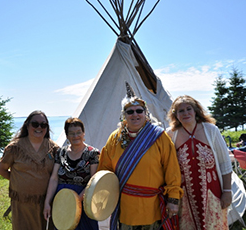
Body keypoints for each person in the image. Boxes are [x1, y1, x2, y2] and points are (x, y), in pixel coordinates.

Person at [97, 82, 183, 230]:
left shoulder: (159, 137)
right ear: (124, 116)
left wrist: (173, 200)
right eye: (130, 112)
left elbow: (172, 169)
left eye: (139, 110)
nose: (135, 115)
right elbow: (105, 170)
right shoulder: (114, 139)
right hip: (126, 209)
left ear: (145, 113)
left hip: (152, 207)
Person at [166, 95, 232, 230]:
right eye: (181, 111)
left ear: (195, 111)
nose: (185, 113)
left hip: (213, 192)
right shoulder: (171, 135)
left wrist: (227, 191)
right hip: (185, 196)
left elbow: (224, 163)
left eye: (188, 109)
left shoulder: (211, 130)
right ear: (175, 115)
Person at [0, 110, 59, 230]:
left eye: (43, 125)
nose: (39, 127)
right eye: (35, 124)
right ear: (27, 125)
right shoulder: (15, 148)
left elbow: (56, 175)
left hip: (46, 202)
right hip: (22, 203)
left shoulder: (54, 149)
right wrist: (18, 179)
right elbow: (2, 169)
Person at [43, 117, 100, 230]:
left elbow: (93, 182)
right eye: (71, 133)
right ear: (67, 136)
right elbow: (54, 178)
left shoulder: (92, 153)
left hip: (83, 201)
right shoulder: (61, 152)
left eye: (78, 132)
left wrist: (76, 202)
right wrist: (47, 202)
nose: (75, 136)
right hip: (62, 202)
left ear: (83, 133)